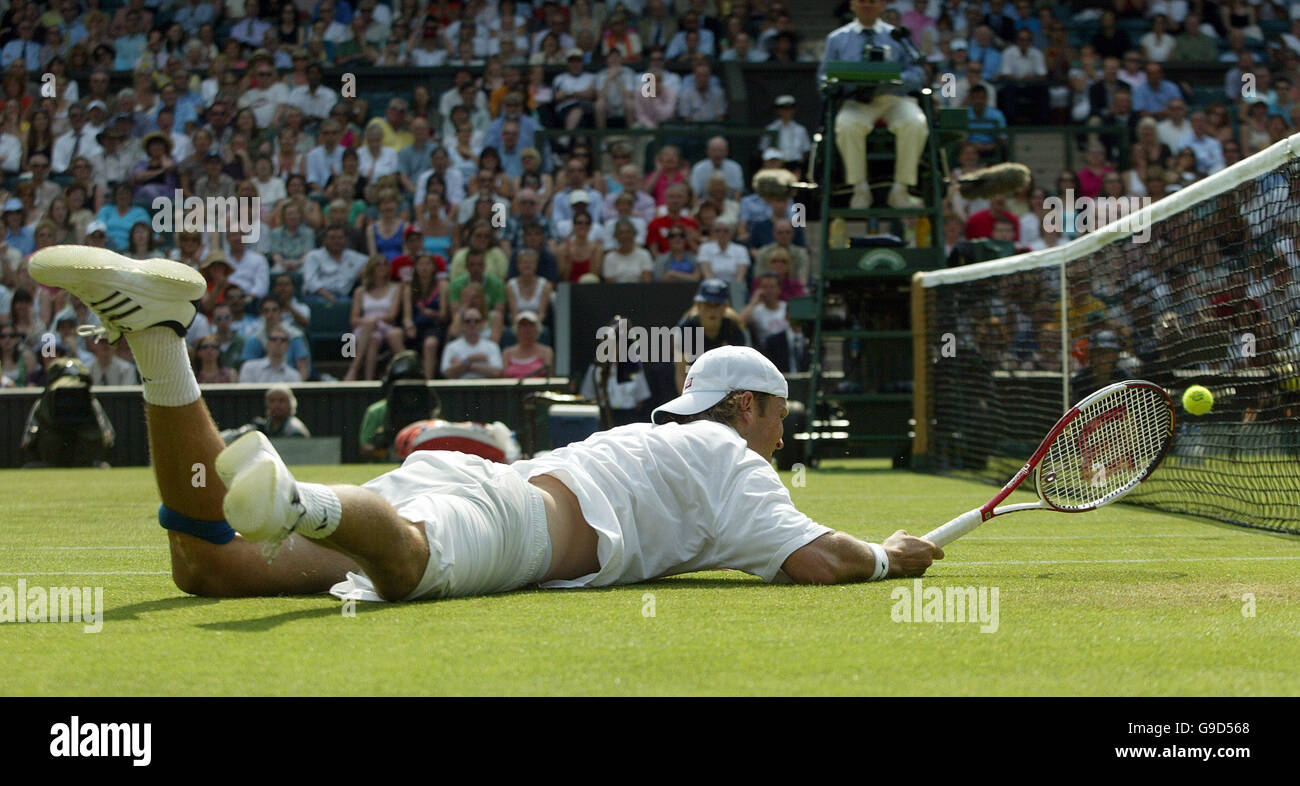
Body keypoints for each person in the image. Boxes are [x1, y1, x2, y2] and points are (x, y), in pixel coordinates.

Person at [25, 245, 943, 601]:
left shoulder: (678, 443)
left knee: (209, 567)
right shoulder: (729, 454)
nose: (783, 438)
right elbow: (820, 562)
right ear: (747, 407)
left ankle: (157, 338)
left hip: (486, 491)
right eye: (780, 417)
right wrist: (887, 553)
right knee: (413, 560)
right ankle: (300, 501)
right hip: (509, 521)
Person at [821, 0, 927, 210]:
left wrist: (893, 79)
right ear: (852, 4)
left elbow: (917, 73)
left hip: (894, 99)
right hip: (856, 101)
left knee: (915, 123)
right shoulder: (837, 38)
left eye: (873, 0)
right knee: (846, 126)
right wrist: (838, 84)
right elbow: (823, 76)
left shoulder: (898, 36)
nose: (867, 5)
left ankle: (900, 189)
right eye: (862, 0)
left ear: (882, 5)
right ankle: (860, 189)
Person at [440, 307, 503, 379]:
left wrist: (462, 364)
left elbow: (497, 372)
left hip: (485, 388)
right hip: (459, 388)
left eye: (476, 321)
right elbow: (446, 373)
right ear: (462, 324)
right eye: (468, 321)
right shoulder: (451, 347)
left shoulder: (492, 346)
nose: (472, 324)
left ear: (482, 324)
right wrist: (471, 359)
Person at [500, 311, 552, 379]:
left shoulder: (546, 351)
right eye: (523, 325)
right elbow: (504, 378)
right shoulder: (507, 353)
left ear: (537, 328)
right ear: (517, 329)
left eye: (531, 324)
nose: (527, 328)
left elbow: (550, 377)